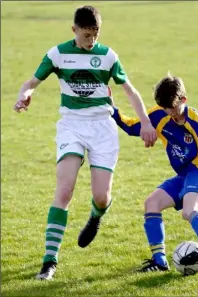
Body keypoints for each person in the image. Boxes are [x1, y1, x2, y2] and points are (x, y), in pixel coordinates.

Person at [13, 5, 157, 280]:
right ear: (74, 30)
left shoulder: (107, 56)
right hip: (72, 126)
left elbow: (129, 89)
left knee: (101, 196)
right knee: (64, 189)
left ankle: (96, 215)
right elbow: (31, 81)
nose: (91, 41)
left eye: (95, 35)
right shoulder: (58, 54)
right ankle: (49, 261)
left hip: (103, 128)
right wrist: (25, 95)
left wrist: (146, 122)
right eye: (86, 35)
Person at [112, 73, 198, 272]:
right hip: (183, 175)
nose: (170, 113)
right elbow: (132, 126)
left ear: (184, 100)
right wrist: (112, 109)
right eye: (165, 109)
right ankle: (159, 261)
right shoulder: (160, 114)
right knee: (151, 203)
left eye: (173, 108)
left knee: (189, 210)